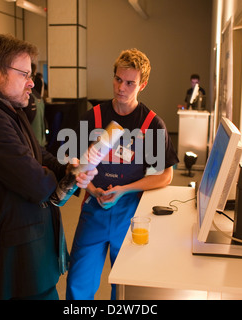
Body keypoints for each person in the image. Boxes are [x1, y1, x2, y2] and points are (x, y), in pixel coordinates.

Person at [0, 34, 97, 300]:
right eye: (24, 74)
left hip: (30, 249)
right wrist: (66, 178)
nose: (32, 82)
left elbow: (38, 154)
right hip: (15, 257)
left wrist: (67, 168)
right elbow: (35, 182)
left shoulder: (9, 110)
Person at [66, 48, 179, 300]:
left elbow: (165, 176)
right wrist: (92, 189)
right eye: (118, 79)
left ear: (143, 85)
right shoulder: (93, 117)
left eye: (130, 83)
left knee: (126, 288)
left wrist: (124, 190)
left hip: (131, 212)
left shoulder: (151, 124)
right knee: (78, 284)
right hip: (94, 208)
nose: (121, 88)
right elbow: (74, 165)